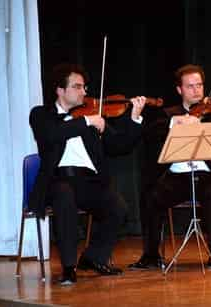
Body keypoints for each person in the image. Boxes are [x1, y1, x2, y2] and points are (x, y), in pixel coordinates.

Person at [29, 63, 146, 285]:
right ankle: (68, 267)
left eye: (84, 87)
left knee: (118, 206)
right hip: (58, 180)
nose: (84, 92)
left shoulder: (91, 116)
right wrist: (85, 122)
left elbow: (120, 146)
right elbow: (52, 135)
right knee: (64, 195)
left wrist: (134, 118)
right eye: (77, 86)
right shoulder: (41, 114)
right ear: (60, 90)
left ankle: (93, 257)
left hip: (88, 180)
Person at [129, 64, 211, 270]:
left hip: (208, 174)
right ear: (179, 90)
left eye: (199, 85)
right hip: (178, 176)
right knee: (150, 196)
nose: (196, 90)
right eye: (190, 86)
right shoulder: (168, 114)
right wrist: (176, 123)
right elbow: (150, 133)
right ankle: (151, 255)